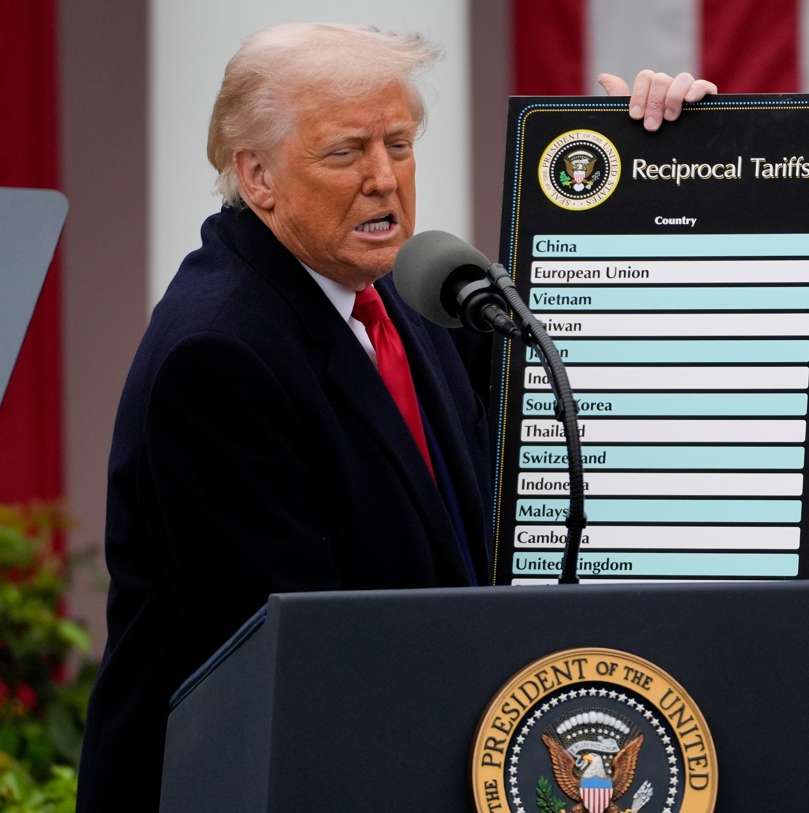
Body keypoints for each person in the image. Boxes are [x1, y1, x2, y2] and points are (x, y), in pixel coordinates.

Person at [75, 22, 714, 812]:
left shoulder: (411, 293)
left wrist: (656, 168)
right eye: (345, 152)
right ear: (258, 175)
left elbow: (588, 369)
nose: (384, 179)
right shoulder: (219, 354)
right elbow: (304, 664)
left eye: (400, 145)